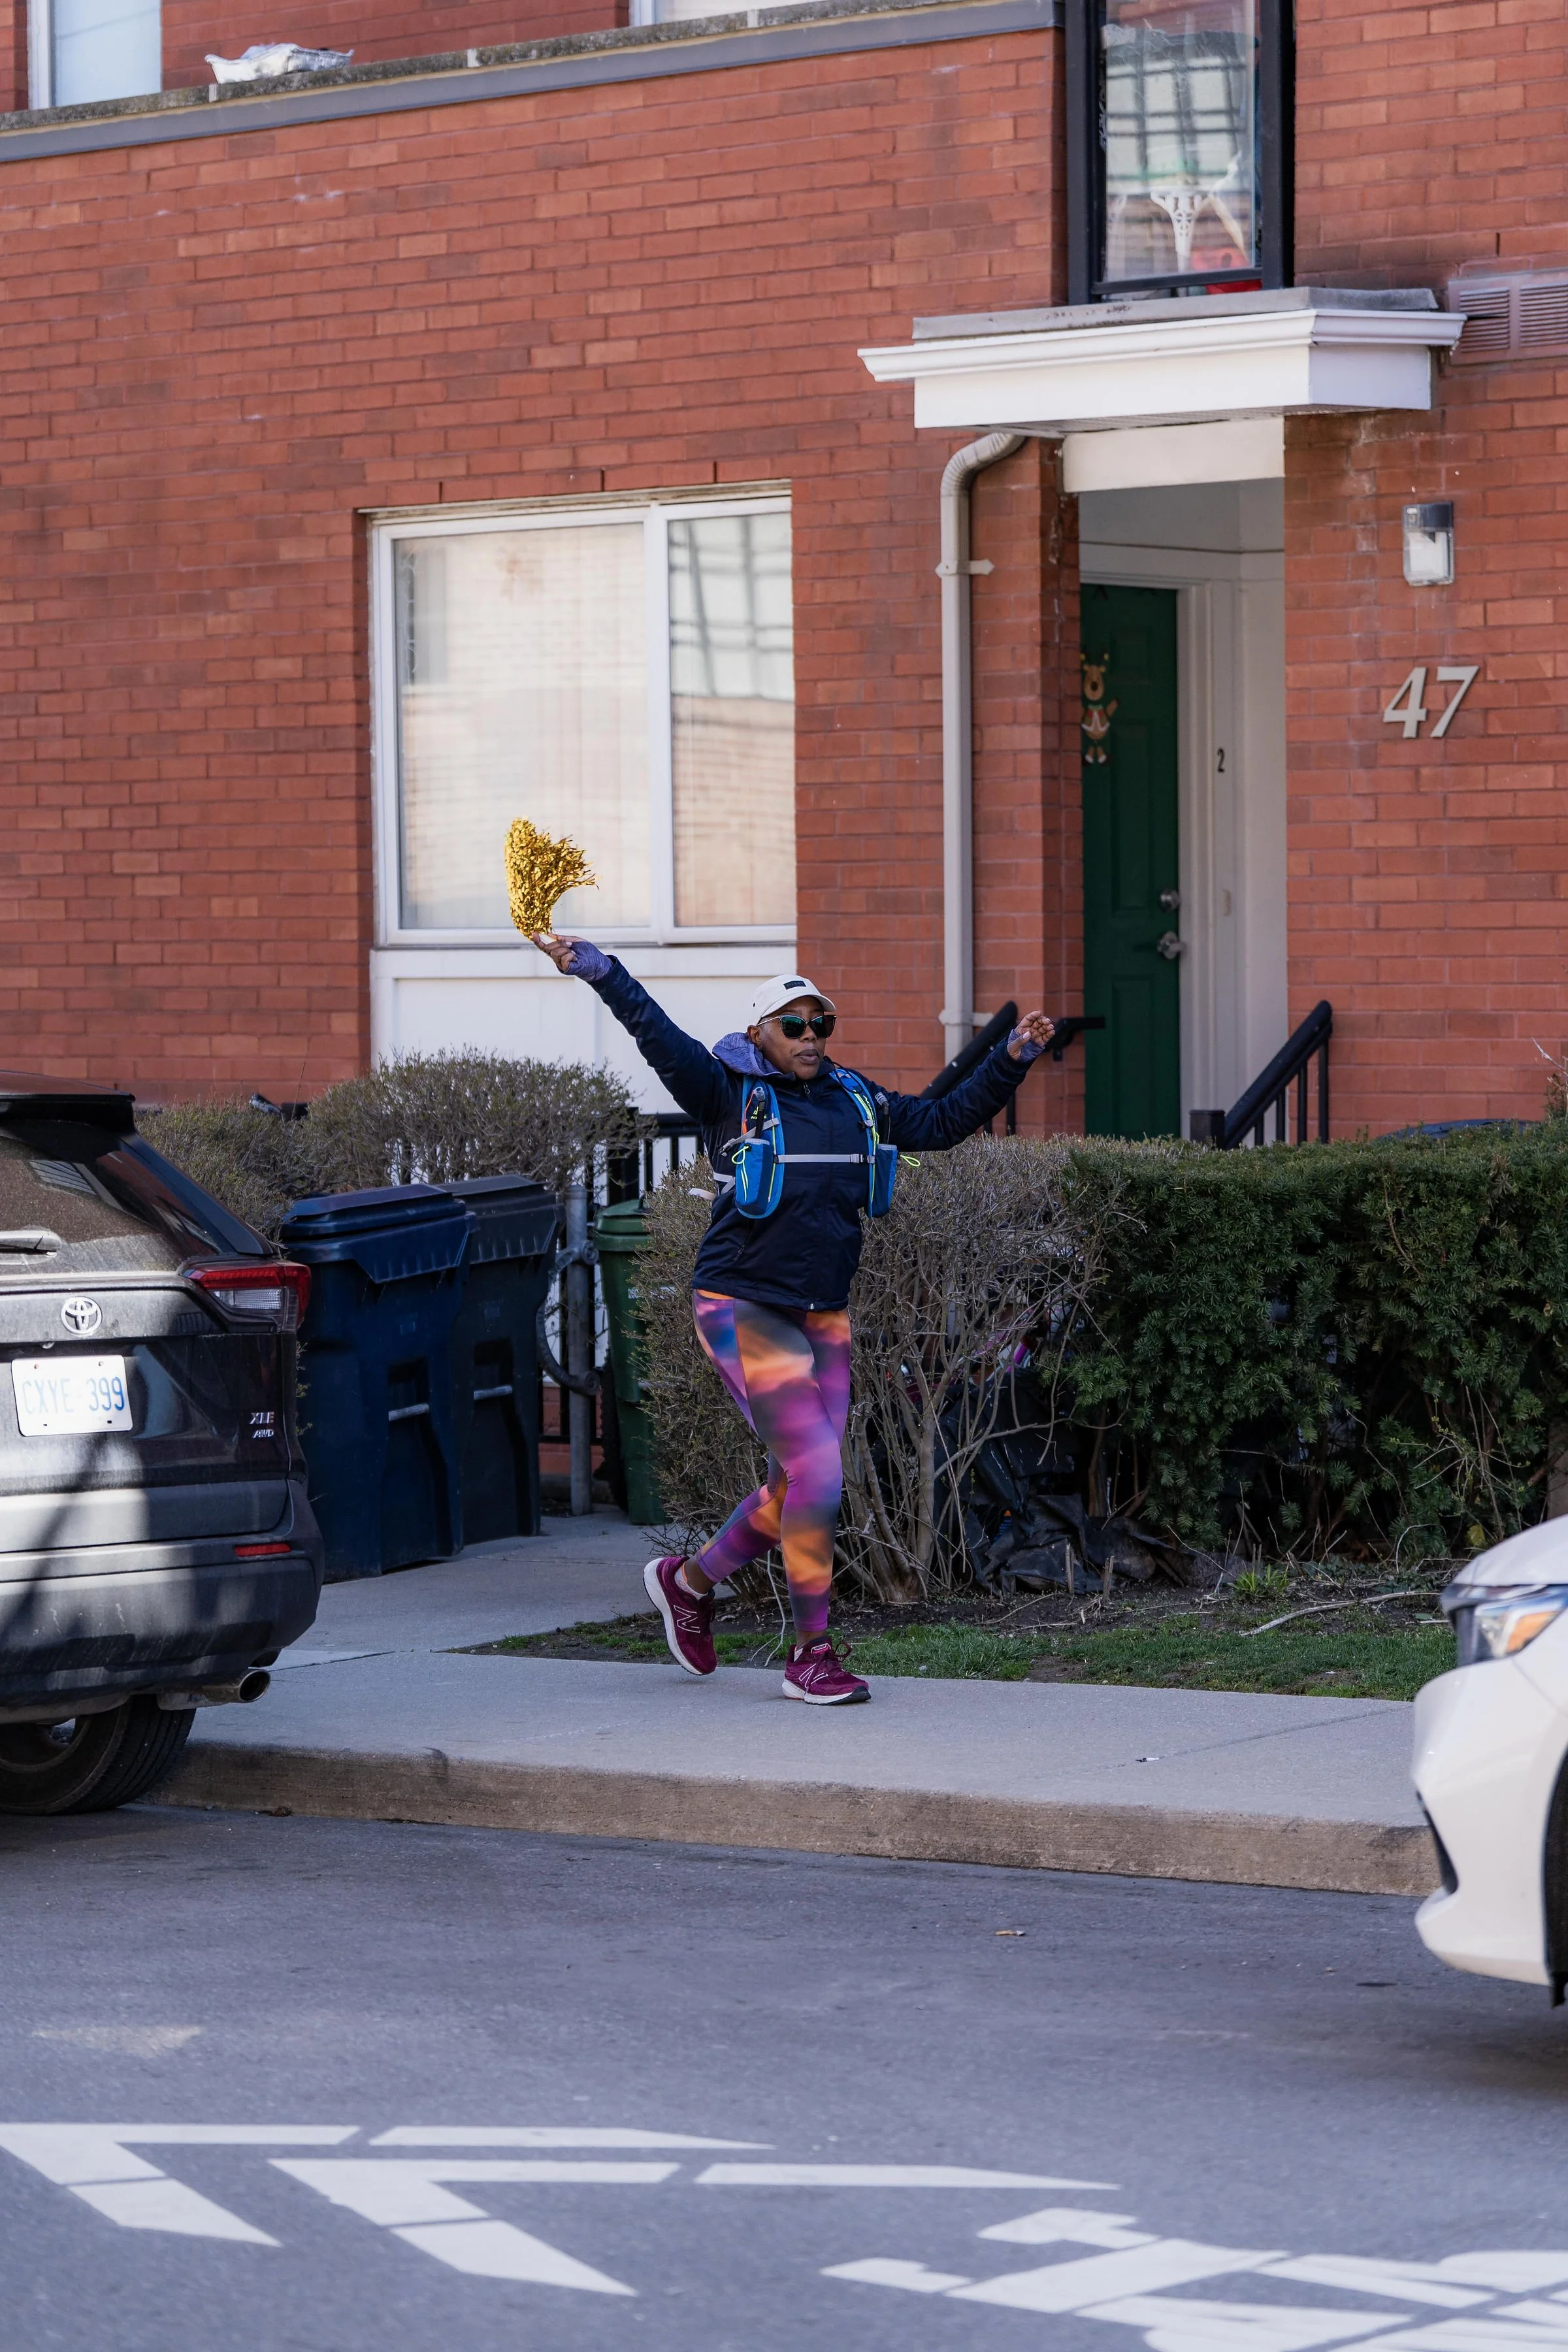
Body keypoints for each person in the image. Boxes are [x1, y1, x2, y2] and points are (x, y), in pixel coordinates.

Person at [532, 933, 1055, 1705]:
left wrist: (1010, 1057)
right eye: (793, 1024)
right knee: (819, 1472)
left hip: (824, 1316)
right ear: (759, 1035)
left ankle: (689, 1582)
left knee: (798, 1485)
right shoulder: (723, 1092)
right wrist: (599, 969)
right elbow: (653, 1029)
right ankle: (812, 1654)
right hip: (744, 1304)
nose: (810, 1038)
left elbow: (941, 1123)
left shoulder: (855, 1099)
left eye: (820, 1024)